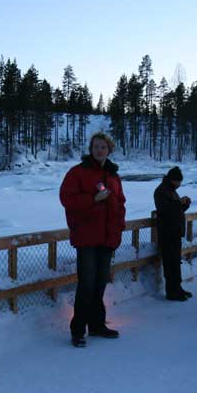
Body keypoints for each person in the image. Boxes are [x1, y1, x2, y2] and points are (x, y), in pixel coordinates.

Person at [60, 132, 126, 348]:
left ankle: (97, 325)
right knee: (87, 284)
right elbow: (66, 198)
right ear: (91, 149)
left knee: (99, 283)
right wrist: (93, 198)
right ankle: (78, 330)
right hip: (87, 238)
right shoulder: (78, 173)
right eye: (96, 146)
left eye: (103, 147)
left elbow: (120, 204)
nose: (99, 150)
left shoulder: (113, 176)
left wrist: (118, 229)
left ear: (109, 150)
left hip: (107, 238)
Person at [154, 166, 193, 301]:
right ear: (172, 180)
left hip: (175, 232)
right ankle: (171, 291)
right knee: (170, 263)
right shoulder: (161, 191)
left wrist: (184, 205)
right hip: (167, 232)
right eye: (178, 181)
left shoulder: (170, 190)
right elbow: (165, 211)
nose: (179, 184)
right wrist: (179, 203)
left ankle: (177, 288)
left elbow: (176, 210)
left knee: (176, 262)